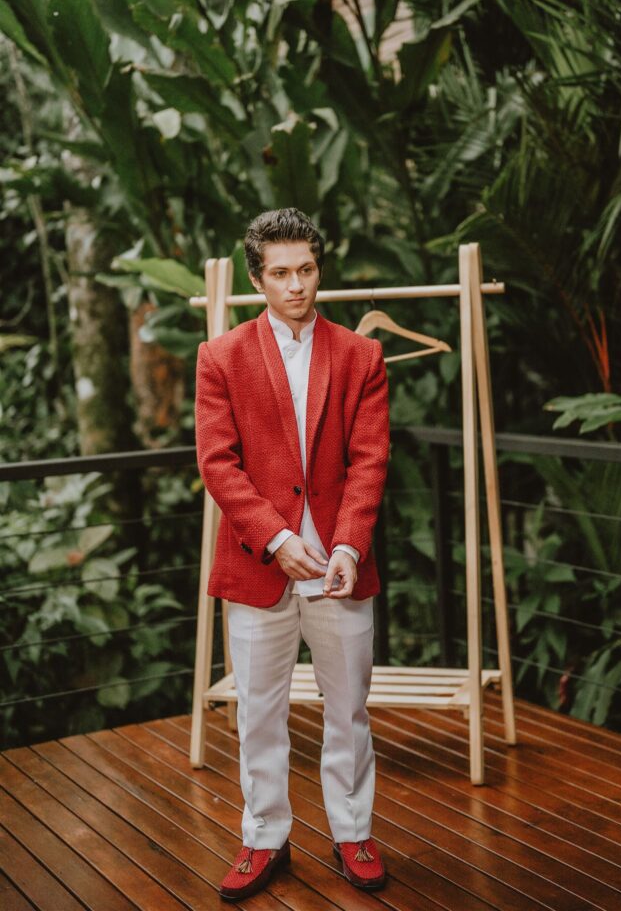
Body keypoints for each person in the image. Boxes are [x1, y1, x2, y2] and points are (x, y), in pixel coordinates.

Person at [194, 208, 390, 902]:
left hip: (341, 566)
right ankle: (262, 838)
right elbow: (218, 464)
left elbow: (369, 462)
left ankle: (353, 830)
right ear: (257, 279)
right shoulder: (219, 356)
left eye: (305, 269)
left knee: (348, 710)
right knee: (258, 713)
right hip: (259, 566)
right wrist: (276, 540)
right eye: (280, 273)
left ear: (319, 269)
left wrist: (346, 544)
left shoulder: (362, 355)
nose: (296, 285)